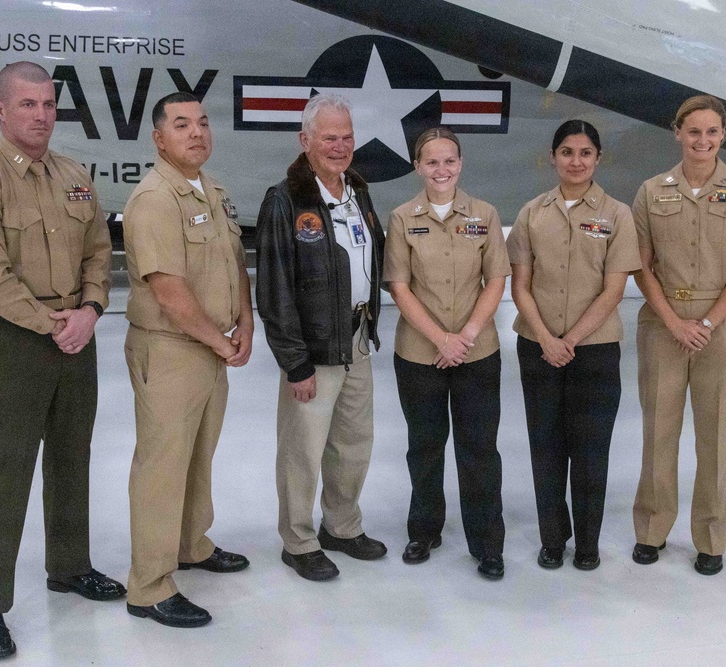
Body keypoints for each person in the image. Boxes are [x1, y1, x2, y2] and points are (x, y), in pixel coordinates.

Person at [0, 61, 123, 660]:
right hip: (17, 339)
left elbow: (100, 249)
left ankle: (69, 566)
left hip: (78, 330)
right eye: (27, 105)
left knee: (72, 455)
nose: (41, 116)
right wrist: (56, 325)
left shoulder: (73, 174)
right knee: (2, 470)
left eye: (48, 105)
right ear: (0, 109)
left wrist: (91, 310)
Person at [121, 92, 253, 627]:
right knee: (162, 467)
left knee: (198, 456)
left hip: (211, 346)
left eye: (202, 122)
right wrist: (222, 343)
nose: (196, 132)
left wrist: (246, 319)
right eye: (181, 125)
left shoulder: (212, 192)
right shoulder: (155, 199)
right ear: (159, 138)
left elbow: (236, 262)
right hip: (172, 349)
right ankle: (149, 587)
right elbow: (169, 290)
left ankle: (190, 546)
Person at [630, 95, 726, 575]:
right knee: (658, 433)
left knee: (715, 437)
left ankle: (711, 538)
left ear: (723, 135)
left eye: (712, 132)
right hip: (663, 320)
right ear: (677, 133)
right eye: (694, 132)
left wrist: (706, 323)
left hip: (721, 325)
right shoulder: (651, 191)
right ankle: (651, 530)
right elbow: (641, 267)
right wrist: (674, 322)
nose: (702, 141)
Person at [256, 93, 387, 582]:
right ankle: (299, 539)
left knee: (354, 444)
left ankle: (342, 526)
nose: (340, 146)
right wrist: (296, 362)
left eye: (347, 136)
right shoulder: (285, 200)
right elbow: (274, 289)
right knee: (302, 451)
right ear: (304, 140)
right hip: (313, 349)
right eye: (329, 137)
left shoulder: (357, 190)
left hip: (356, 338)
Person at [508, 120, 640, 571]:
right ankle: (552, 538)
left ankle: (587, 542)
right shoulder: (531, 213)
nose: (576, 161)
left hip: (595, 352)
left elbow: (614, 289)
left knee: (590, 450)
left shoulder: (618, 215)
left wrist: (571, 340)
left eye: (585, 153)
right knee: (544, 447)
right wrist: (547, 338)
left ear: (598, 159)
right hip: (538, 348)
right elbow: (520, 285)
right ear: (553, 157)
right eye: (567, 152)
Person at [384, 127, 509, 579]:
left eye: (450, 160)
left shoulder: (485, 214)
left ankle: (487, 543)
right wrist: (441, 339)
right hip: (421, 354)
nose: (442, 170)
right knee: (425, 446)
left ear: (461, 164)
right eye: (432, 161)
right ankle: (424, 530)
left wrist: (467, 335)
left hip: (476, 353)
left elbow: (496, 279)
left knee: (479, 448)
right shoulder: (401, 218)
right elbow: (398, 286)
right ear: (418, 166)